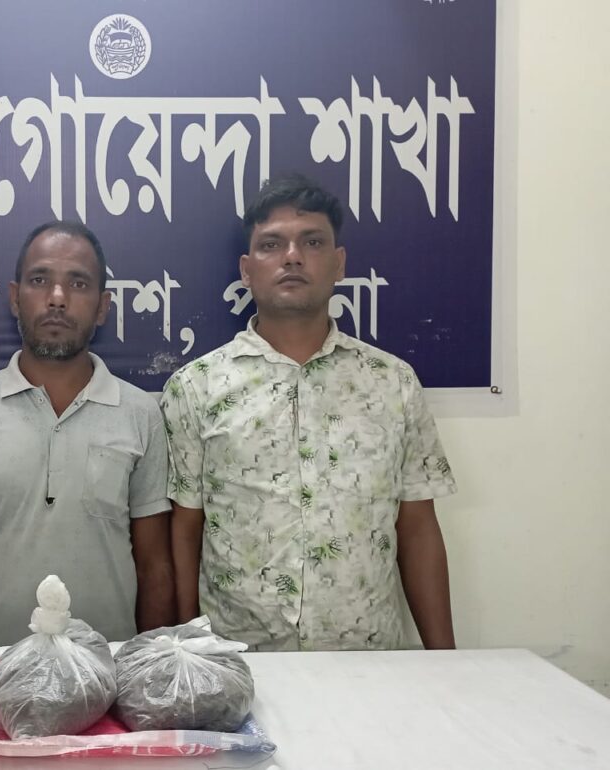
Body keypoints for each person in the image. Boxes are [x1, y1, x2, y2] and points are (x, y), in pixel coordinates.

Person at [161, 173, 457, 651]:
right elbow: (185, 530)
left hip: (369, 662)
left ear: (339, 264)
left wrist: (445, 660)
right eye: (271, 244)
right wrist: (191, 653)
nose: (292, 256)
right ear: (246, 270)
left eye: (312, 242)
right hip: (242, 659)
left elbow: (418, 527)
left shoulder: (393, 382)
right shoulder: (196, 387)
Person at [0, 221, 175, 656]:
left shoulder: (140, 414)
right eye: (40, 280)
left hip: (106, 668)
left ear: (102, 307)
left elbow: (155, 565)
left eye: (78, 283)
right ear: (14, 298)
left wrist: (151, 670)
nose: (57, 297)